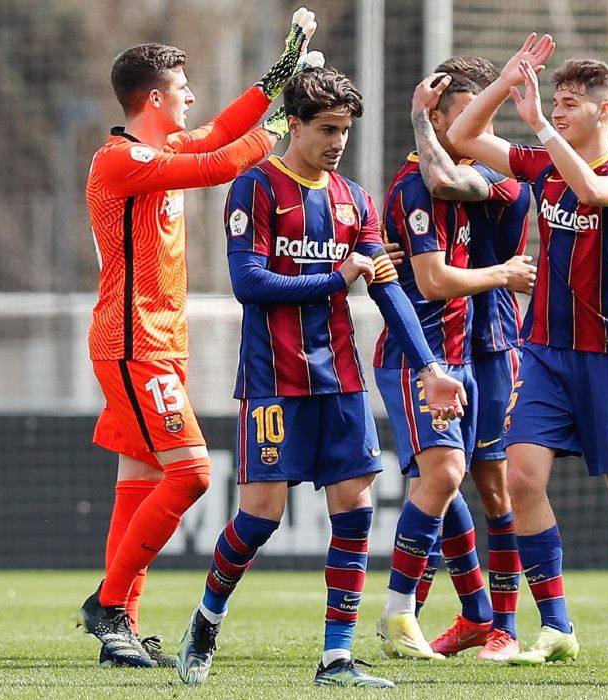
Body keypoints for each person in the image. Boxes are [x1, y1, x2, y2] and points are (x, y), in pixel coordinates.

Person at [174, 65, 466, 689]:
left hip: (342, 382)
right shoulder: (254, 188)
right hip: (273, 383)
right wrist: (339, 277)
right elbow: (249, 284)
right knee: (258, 519)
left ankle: (335, 657)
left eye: (345, 131)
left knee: (356, 513)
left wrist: (431, 368)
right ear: (296, 124)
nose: (337, 142)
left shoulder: (354, 200)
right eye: (327, 129)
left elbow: (389, 293)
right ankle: (205, 619)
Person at [78, 7, 317, 668]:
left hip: (155, 344)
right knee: (190, 474)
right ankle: (107, 606)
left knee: (141, 483)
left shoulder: (158, 148)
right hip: (134, 345)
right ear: (153, 98)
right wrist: (288, 123)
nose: (191, 96)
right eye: (182, 86)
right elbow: (225, 162)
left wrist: (283, 70)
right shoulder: (119, 160)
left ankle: (120, 624)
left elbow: (221, 129)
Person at [447, 35, 608, 669]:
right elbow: (462, 134)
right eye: (556, 100)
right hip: (542, 353)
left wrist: (540, 124)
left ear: (604, 111)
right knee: (520, 479)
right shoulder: (541, 164)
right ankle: (558, 625)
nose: (559, 108)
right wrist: (505, 82)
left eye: (572, 102)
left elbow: (593, 193)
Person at [372, 67, 536, 662]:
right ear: (439, 119)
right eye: (465, 115)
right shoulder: (416, 184)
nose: (478, 128)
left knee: (486, 481)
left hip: (489, 344)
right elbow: (432, 273)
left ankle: (497, 621)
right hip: (431, 349)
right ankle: (422, 612)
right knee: (444, 477)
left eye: (486, 118)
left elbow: (445, 177)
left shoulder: (500, 176)